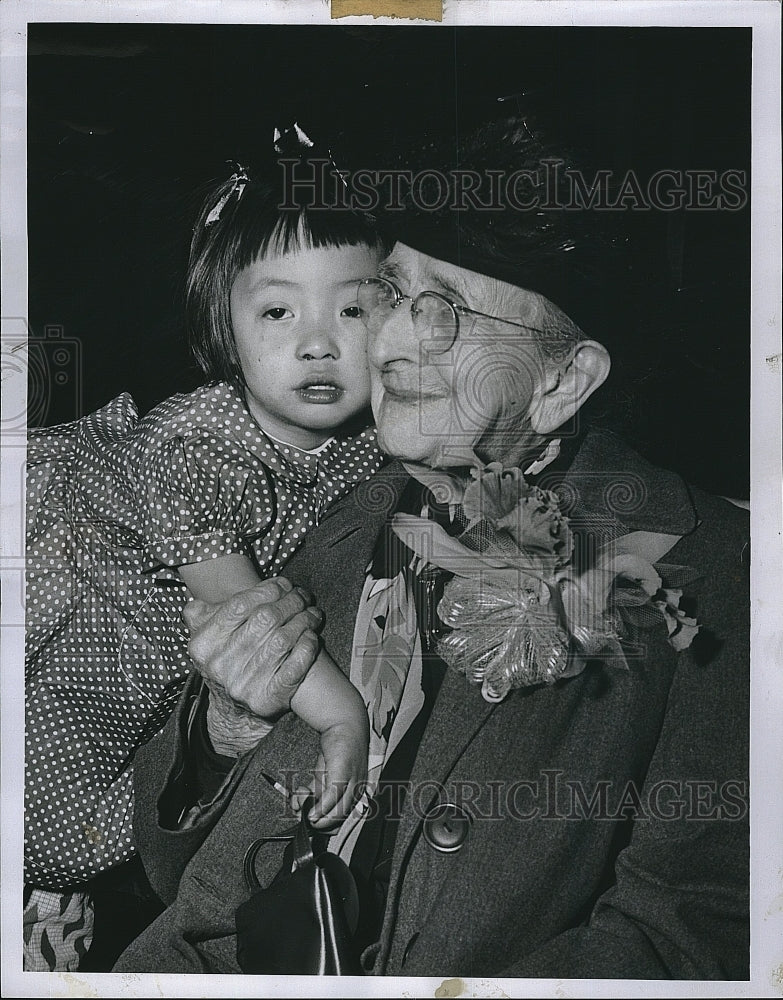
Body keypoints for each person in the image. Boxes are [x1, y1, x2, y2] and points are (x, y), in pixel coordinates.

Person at [114, 117, 749, 980]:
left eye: (449, 312)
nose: (400, 338)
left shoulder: (718, 567)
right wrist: (226, 726)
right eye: (395, 292)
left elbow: (696, 932)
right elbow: (166, 870)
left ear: (563, 383)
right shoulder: (319, 495)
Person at [23, 130, 385, 971]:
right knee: (57, 842)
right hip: (100, 634)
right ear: (221, 328)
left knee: (153, 802)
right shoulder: (196, 444)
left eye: (355, 309)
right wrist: (343, 714)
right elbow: (237, 606)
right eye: (277, 311)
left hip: (176, 673)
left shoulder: (367, 440)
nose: (318, 342)